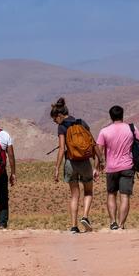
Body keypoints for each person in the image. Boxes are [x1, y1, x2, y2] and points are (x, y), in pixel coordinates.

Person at [50, 98, 101, 234]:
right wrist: (100, 160)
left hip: (70, 163)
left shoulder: (62, 127)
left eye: (55, 119)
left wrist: (56, 168)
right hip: (85, 162)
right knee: (88, 191)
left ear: (60, 116)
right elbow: (93, 143)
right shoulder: (81, 122)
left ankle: (73, 226)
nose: (55, 122)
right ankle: (85, 217)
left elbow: (61, 148)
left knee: (74, 195)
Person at [95, 105, 139, 230]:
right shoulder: (131, 129)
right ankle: (121, 225)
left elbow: (99, 151)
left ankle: (113, 222)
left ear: (111, 116)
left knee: (111, 195)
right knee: (125, 196)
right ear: (122, 115)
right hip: (128, 166)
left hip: (111, 168)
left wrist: (96, 168)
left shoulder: (104, 131)